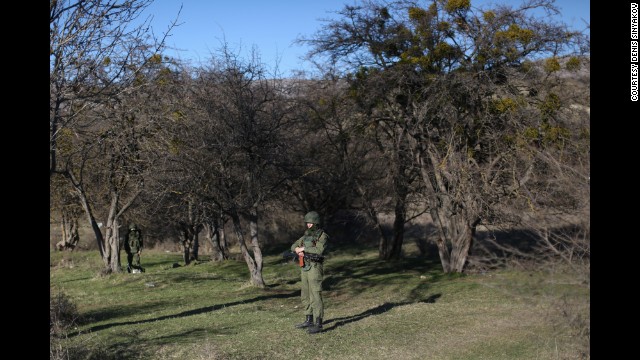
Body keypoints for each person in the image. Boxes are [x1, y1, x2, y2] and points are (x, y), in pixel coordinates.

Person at [291, 211, 329, 334]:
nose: (308, 225)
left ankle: (319, 323)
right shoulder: (305, 236)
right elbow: (294, 245)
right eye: (307, 223)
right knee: (305, 294)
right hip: (305, 266)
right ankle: (308, 319)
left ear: (316, 222)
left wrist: (304, 249)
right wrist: (297, 249)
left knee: (315, 294)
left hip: (314, 267)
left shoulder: (322, 236)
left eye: (311, 223)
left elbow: (318, 250)